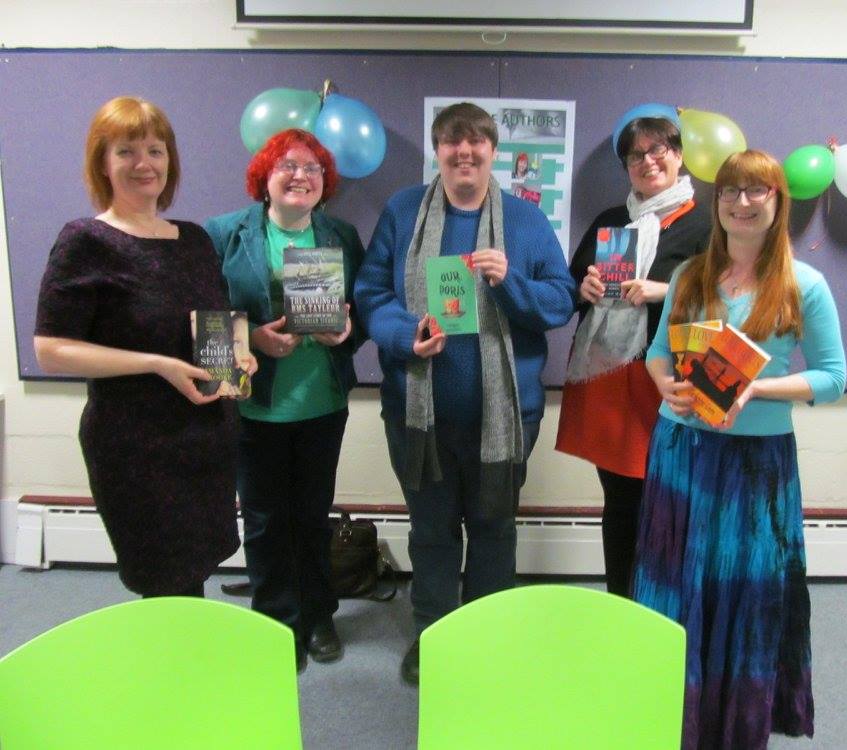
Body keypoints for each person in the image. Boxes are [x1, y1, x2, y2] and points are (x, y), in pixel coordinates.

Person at [355, 102, 575, 686]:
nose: (464, 152)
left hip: (505, 421)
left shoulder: (526, 223)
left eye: (476, 141)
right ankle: (433, 636)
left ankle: (484, 634)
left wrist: (513, 283)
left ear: (493, 151)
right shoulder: (404, 211)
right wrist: (406, 334)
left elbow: (560, 301)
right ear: (438, 151)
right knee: (430, 531)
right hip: (417, 415)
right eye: (452, 141)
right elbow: (370, 292)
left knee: (494, 529)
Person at [635, 150, 847, 749]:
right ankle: (670, 718)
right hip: (681, 452)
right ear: (717, 201)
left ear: (779, 204)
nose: (742, 203)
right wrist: (666, 384)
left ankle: (731, 727)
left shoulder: (805, 284)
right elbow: (657, 353)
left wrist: (755, 388)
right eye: (731, 191)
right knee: (676, 586)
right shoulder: (689, 276)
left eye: (758, 192)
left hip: (756, 465)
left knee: (741, 596)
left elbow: (833, 378)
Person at [34, 96, 251, 597]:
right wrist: (155, 365)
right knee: (163, 585)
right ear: (103, 164)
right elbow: (51, 349)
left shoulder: (195, 240)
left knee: (194, 576)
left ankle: (189, 669)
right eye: (126, 151)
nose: (143, 164)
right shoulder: (85, 241)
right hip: (136, 448)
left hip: (206, 441)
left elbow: (212, 328)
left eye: (155, 150)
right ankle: (171, 673)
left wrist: (240, 358)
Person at [204, 129, 364, 674]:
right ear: (264, 177)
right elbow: (205, 323)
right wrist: (254, 341)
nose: (301, 176)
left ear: (325, 182)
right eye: (288, 167)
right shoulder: (225, 234)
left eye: (313, 168)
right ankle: (276, 621)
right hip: (254, 404)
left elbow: (360, 313)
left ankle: (319, 617)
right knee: (266, 519)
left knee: (313, 516)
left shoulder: (340, 234)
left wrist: (345, 332)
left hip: (321, 402)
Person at [555, 116, 710, 597]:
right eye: (635, 155)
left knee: (673, 501)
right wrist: (585, 286)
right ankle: (621, 601)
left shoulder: (708, 221)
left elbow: (729, 296)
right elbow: (569, 289)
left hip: (675, 383)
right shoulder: (610, 221)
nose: (648, 161)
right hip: (613, 380)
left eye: (658, 149)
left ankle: (667, 606)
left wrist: (666, 289)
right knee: (620, 500)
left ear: (678, 154)